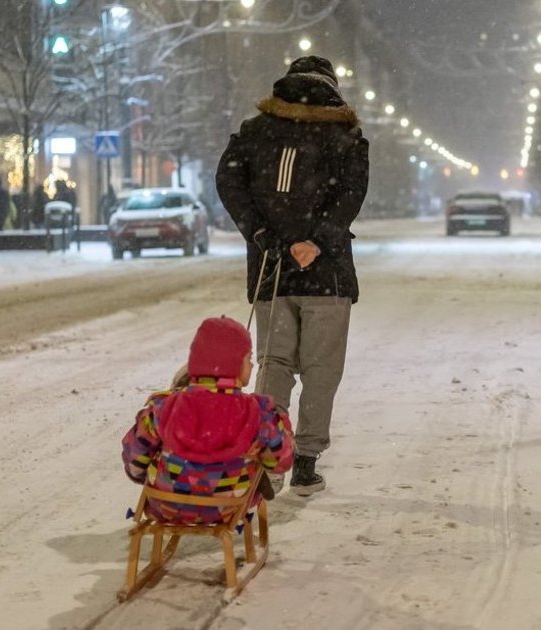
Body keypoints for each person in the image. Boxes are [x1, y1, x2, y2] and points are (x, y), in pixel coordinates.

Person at [216, 55, 369, 496]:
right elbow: (351, 194)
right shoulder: (346, 137)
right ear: (332, 87)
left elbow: (228, 181)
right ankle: (304, 462)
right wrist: (317, 241)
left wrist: (263, 233)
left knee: (274, 363)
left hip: (273, 269)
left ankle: (266, 460)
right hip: (327, 274)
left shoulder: (254, 131)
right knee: (322, 367)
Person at [121, 317, 294, 525]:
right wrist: (283, 428)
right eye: (248, 359)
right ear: (235, 364)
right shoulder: (257, 413)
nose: (250, 364)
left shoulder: (165, 408)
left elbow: (134, 457)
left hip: (167, 506)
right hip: (229, 509)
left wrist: (144, 476)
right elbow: (280, 462)